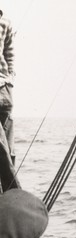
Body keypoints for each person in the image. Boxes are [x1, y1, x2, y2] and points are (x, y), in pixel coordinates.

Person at [0, 9, 15, 157]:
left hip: (4, 86)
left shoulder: (5, 23)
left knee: (8, 143)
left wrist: (10, 78)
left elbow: (9, 52)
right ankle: (12, 181)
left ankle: (9, 181)